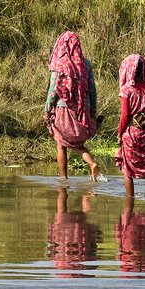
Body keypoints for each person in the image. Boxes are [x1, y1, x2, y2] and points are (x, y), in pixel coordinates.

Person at [44, 31, 103, 181]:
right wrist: (93, 111)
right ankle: (91, 163)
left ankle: (63, 179)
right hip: (82, 110)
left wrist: (47, 110)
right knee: (78, 144)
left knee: (61, 144)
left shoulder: (59, 65)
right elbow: (92, 89)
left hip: (63, 110)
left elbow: (53, 90)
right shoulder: (86, 64)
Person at [114, 54, 145, 199]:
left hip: (132, 134)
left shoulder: (127, 90)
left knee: (127, 169)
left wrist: (119, 133)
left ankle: (130, 199)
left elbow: (125, 116)